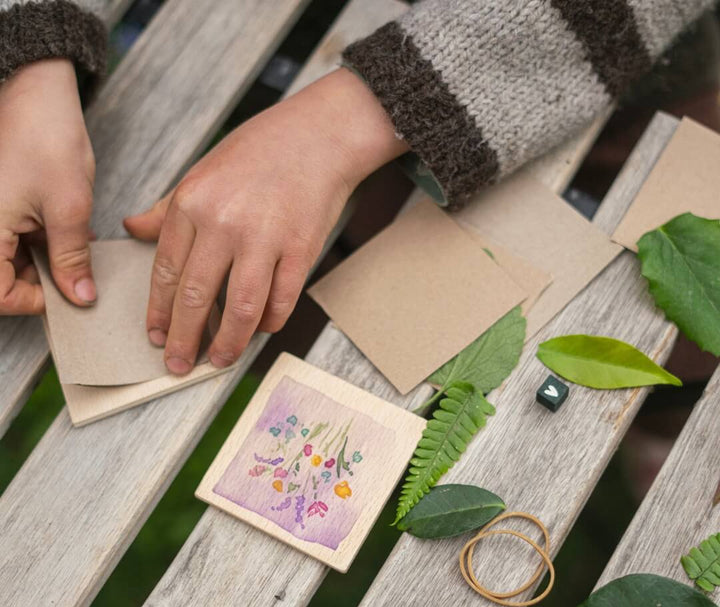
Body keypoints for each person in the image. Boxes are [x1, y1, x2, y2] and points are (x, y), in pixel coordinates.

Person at [0, 0, 714, 375]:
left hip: (559, 65)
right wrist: (28, 51)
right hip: (213, 57)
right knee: (300, 333)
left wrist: (347, 121)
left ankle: (658, 421)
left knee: (622, 311)